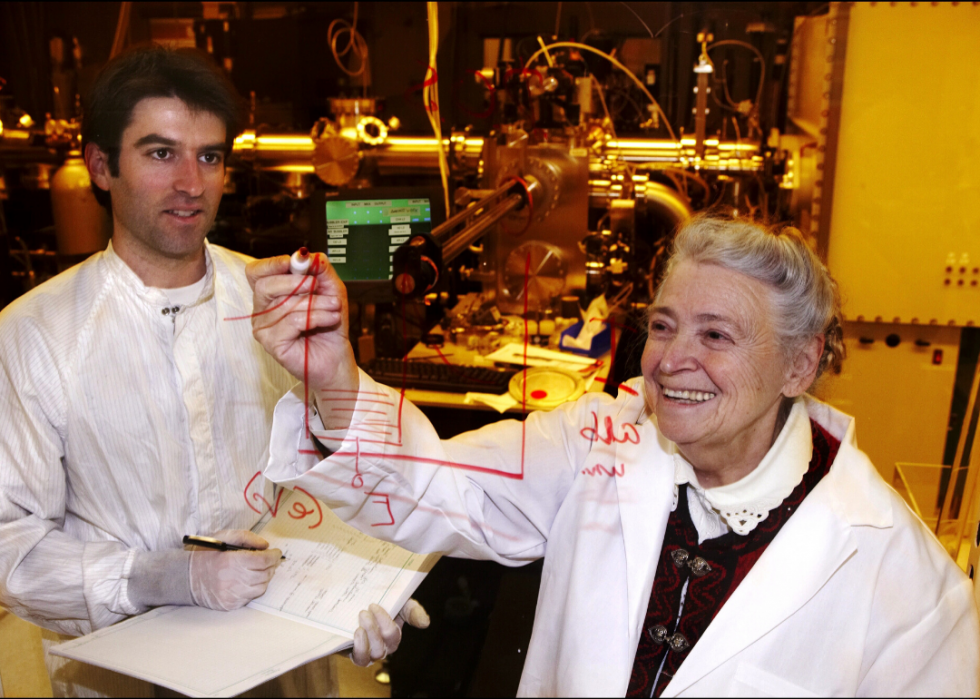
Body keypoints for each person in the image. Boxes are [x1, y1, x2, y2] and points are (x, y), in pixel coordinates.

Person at [249, 214, 980, 696]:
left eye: (716, 335)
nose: (672, 361)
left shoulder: (907, 583)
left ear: (799, 365)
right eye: (664, 326)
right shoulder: (600, 438)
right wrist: (333, 376)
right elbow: (436, 487)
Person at [0, 47, 425, 698]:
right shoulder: (33, 333)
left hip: (278, 661)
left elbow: (336, 473)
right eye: (160, 153)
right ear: (101, 166)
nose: (191, 184)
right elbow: (12, 544)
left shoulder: (275, 302)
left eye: (209, 156)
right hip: (120, 671)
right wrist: (152, 577)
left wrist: (366, 582)